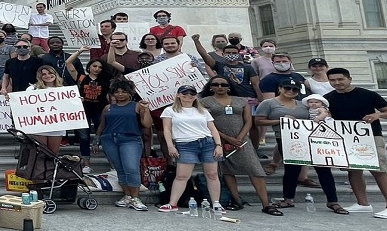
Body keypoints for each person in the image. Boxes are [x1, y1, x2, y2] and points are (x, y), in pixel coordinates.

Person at [254, 80, 342, 210]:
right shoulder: (268, 103)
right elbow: (258, 121)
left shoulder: (304, 104)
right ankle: (288, 199)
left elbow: (319, 112)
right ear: (280, 88)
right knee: (292, 168)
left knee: (323, 168)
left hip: (310, 138)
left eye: (294, 89)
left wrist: (323, 112)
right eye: (287, 88)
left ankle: (332, 200)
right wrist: (280, 120)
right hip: (285, 138)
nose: (290, 91)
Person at [325, 68, 387, 218]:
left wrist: (378, 114)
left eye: (340, 79)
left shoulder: (368, 94)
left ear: (349, 79)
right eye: (332, 80)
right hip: (346, 138)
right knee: (353, 171)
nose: (337, 83)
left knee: (379, 171)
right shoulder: (328, 98)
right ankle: (362, 203)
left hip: (371, 137)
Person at [200, 77, 280, 216]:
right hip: (219, 140)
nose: (220, 86)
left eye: (224, 84)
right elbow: (204, 124)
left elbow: (248, 121)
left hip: (242, 140)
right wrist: (227, 138)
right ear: (210, 86)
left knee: (255, 169)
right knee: (227, 170)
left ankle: (266, 204)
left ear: (229, 86)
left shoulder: (241, 101)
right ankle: (236, 200)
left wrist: (240, 137)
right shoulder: (203, 102)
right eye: (216, 84)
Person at [158, 85, 225, 213]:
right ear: (178, 95)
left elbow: (212, 129)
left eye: (192, 93)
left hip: (207, 142)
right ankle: (172, 203)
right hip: (185, 144)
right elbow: (166, 129)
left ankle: (216, 203)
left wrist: (218, 145)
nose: (188, 96)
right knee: (182, 176)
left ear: (196, 96)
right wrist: (170, 145)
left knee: (212, 174)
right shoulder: (169, 110)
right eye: (185, 93)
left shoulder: (202, 110)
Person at [96, 79, 152, 211]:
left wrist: (146, 110)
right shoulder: (108, 107)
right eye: (117, 92)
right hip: (109, 139)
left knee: (131, 168)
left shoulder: (137, 106)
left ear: (130, 93)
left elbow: (147, 124)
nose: (120, 94)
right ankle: (127, 196)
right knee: (120, 169)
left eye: (124, 91)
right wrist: (96, 140)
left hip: (130, 139)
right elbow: (102, 125)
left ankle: (135, 198)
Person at [66, 50, 112, 172]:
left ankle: (112, 162)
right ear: (89, 67)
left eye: (100, 67)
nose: (97, 69)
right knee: (84, 137)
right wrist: (80, 51)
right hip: (83, 111)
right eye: (94, 66)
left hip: (100, 111)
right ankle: (86, 164)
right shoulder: (81, 78)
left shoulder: (105, 80)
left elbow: (108, 96)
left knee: (103, 136)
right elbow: (68, 63)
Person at [26, 65, 69, 154]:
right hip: (39, 126)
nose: (48, 76)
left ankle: (51, 168)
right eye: (44, 74)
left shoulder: (64, 90)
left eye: (50, 73)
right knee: (40, 153)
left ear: (55, 74)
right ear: (40, 77)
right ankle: (39, 168)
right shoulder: (32, 89)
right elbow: (24, 106)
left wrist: (77, 101)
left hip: (57, 126)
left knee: (53, 153)